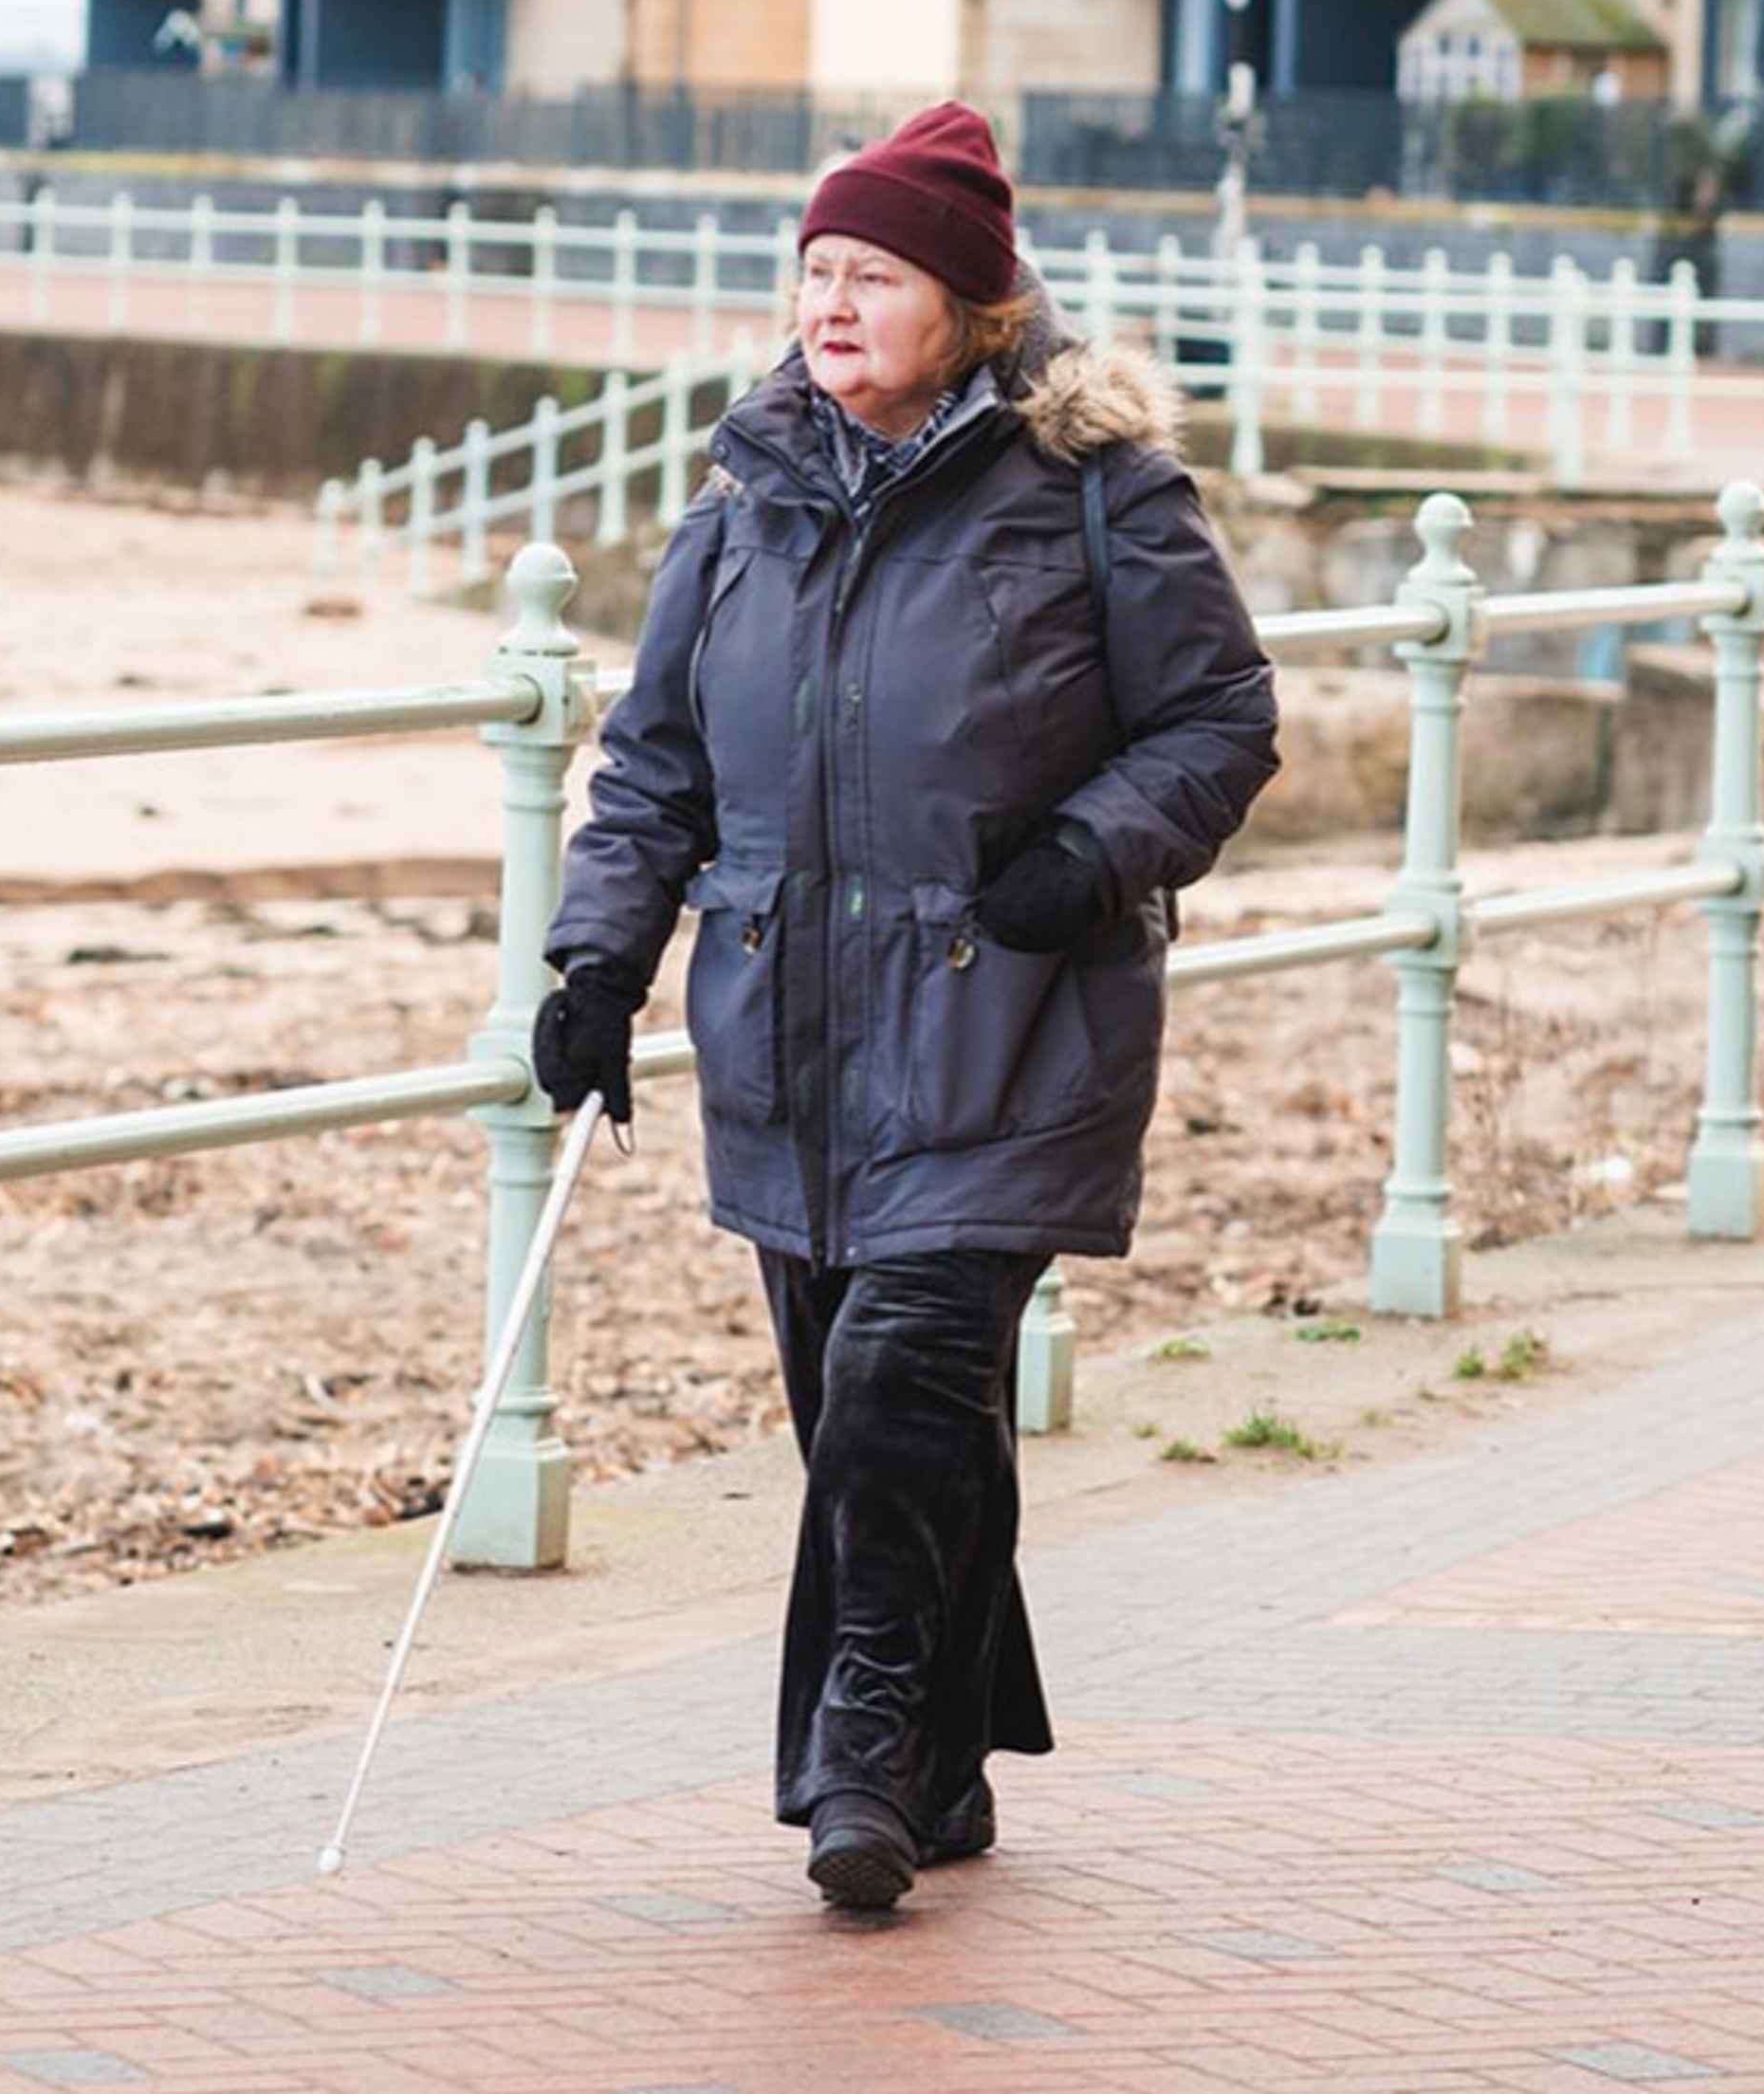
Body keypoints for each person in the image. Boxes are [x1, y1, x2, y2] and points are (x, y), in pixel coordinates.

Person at [532, 101, 1279, 1911]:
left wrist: (1084, 855)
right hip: (791, 1045)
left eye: (873, 275)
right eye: (816, 272)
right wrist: (597, 962)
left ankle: (857, 1765)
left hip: (1005, 1026)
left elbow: (1220, 720)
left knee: (899, 1381)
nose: (832, 305)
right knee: (875, 1417)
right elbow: (656, 769)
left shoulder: (1096, 491)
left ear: (971, 303)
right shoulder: (746, 502)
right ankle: (945, 1767)